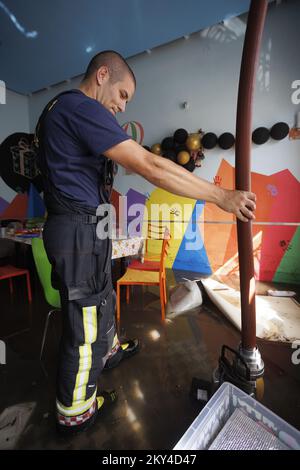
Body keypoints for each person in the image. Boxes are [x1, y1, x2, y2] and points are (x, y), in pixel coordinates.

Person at [35, 50, 256, 435]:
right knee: (85, 322)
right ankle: (75, 412)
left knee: (102, 296)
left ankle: (110, 351)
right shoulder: (80, 107)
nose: (121, 107)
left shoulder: (63, 112)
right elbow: (151, 166)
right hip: (77, 231)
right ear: (102, 75)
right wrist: (221, 196)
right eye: (122, 95)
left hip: (89, 226)